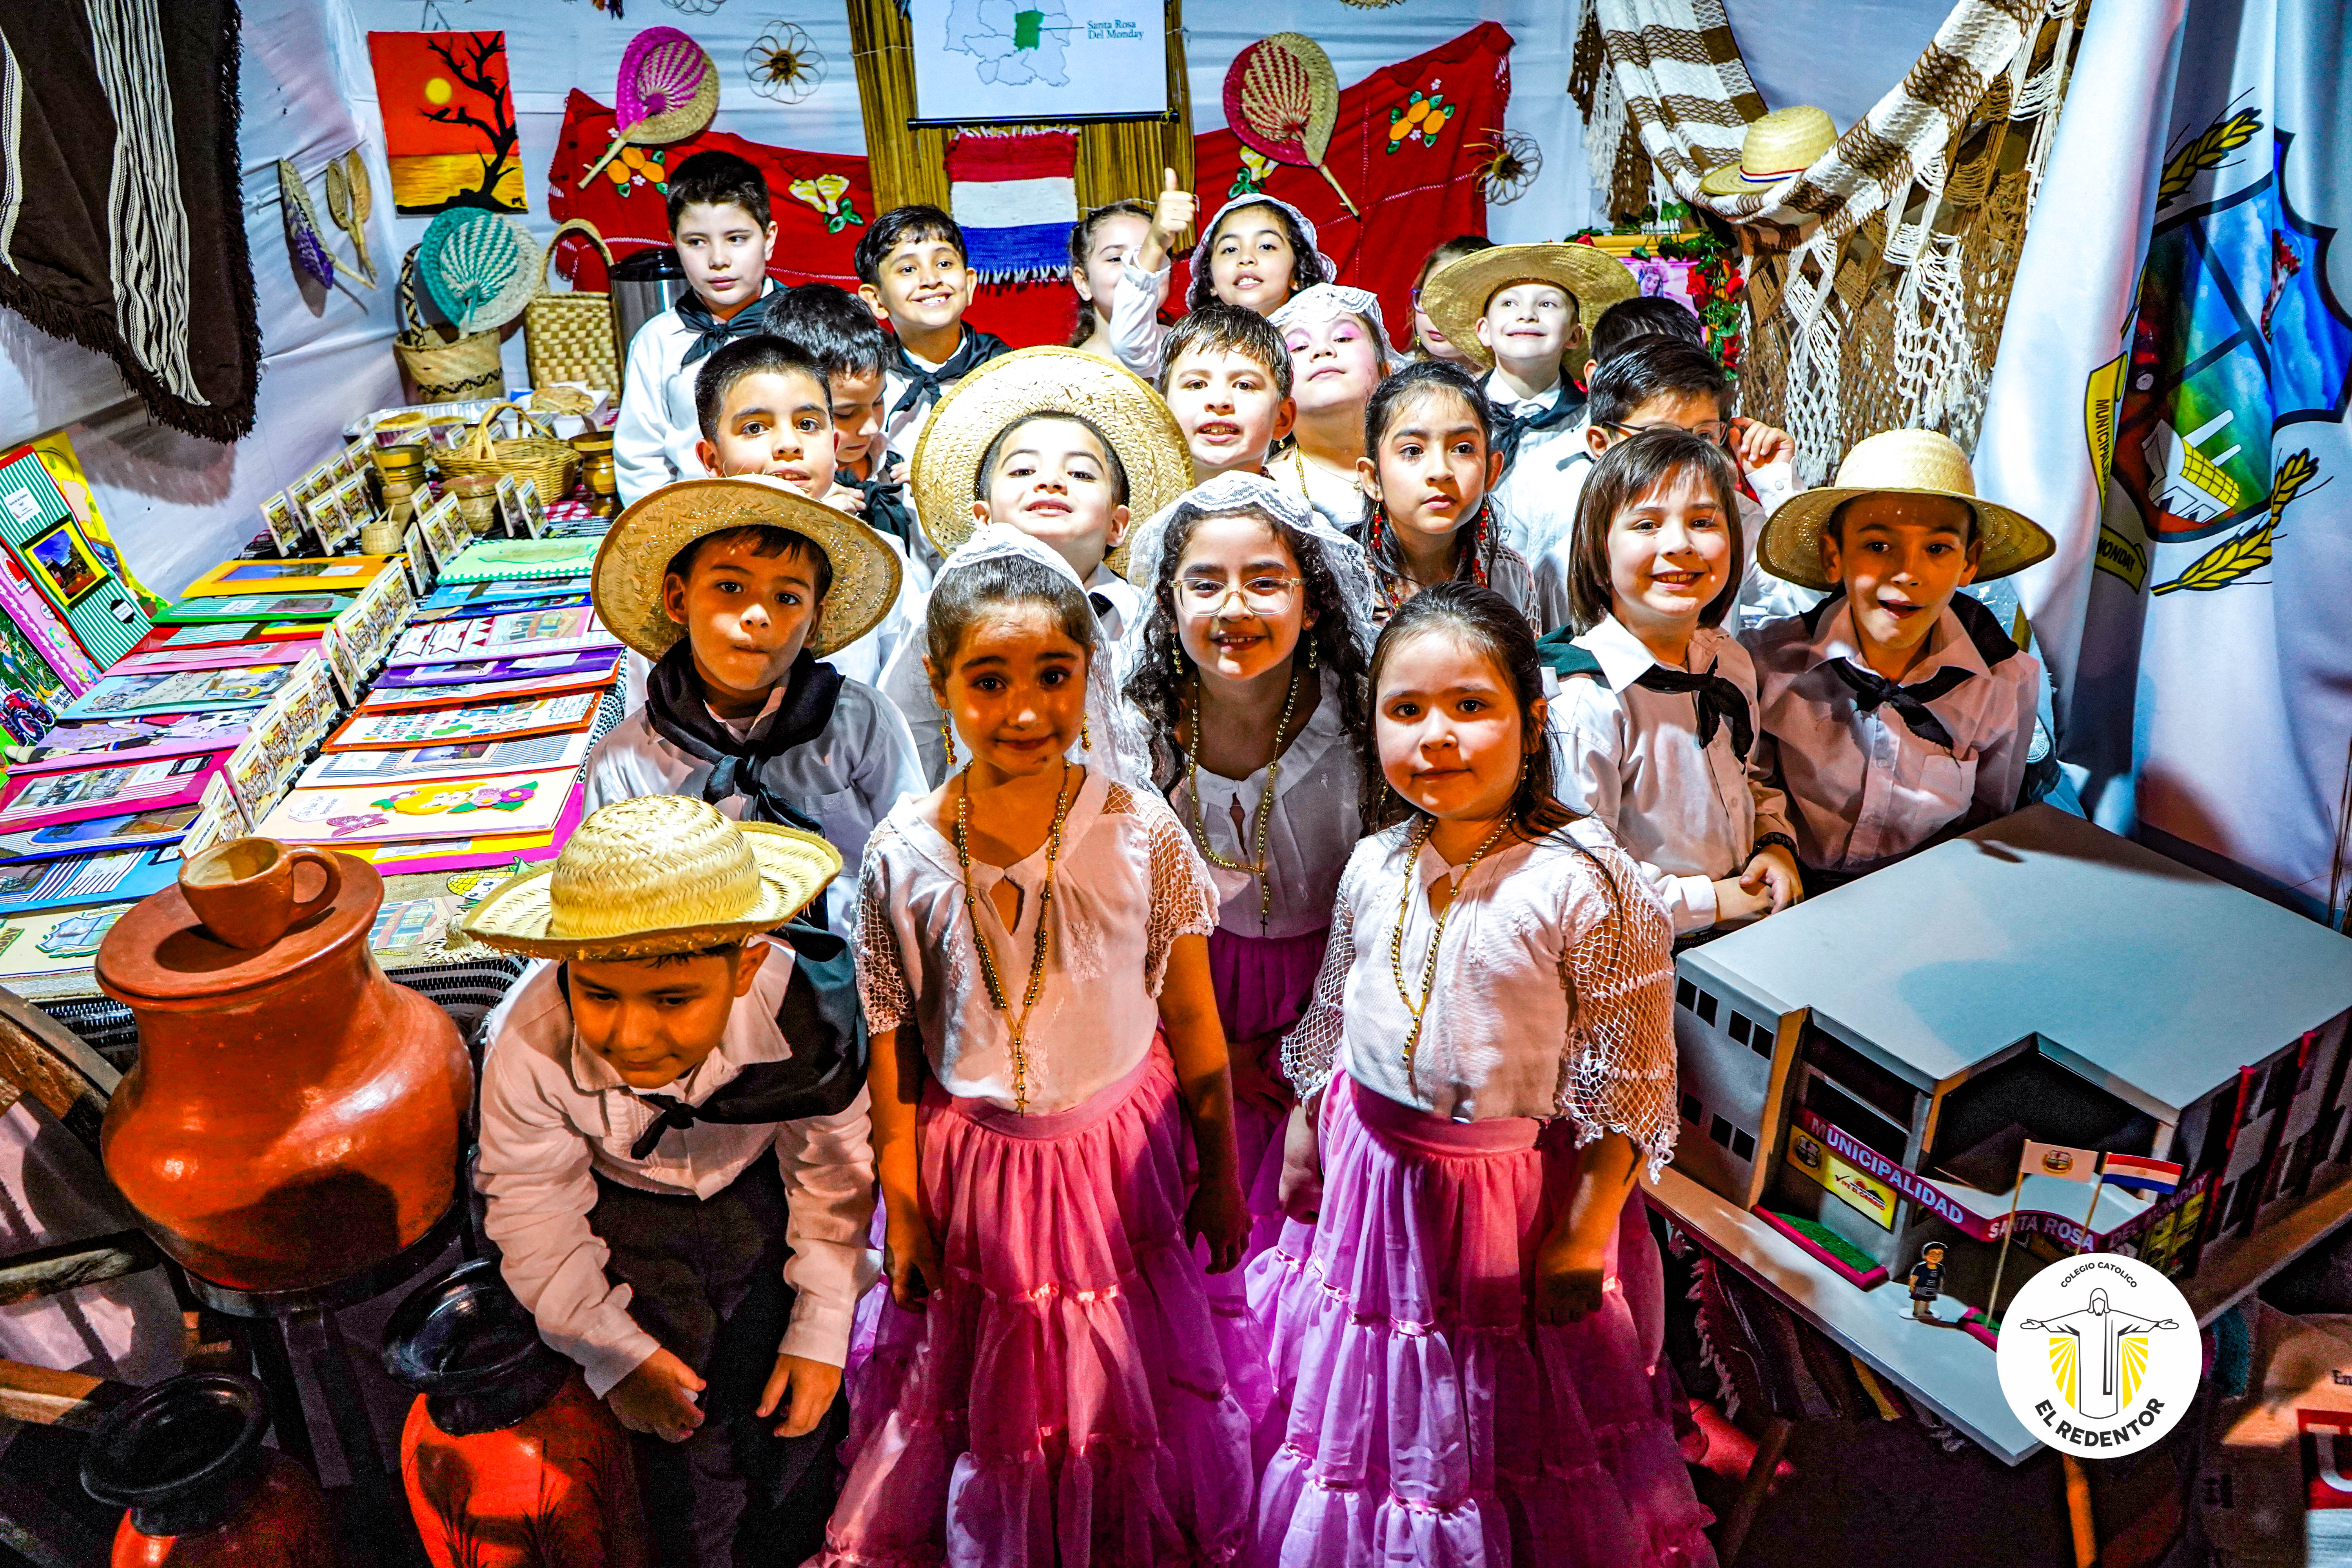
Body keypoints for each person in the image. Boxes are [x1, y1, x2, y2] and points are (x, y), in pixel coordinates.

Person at [1252, 583, 1717, 1566]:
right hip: (1374, 1189)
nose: (1438, 738)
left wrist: (1584, 1233)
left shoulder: (1586, 880)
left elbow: (1628, 1080)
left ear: (1530, 717)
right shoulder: (1377, 859)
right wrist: (1306, 1120)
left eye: (1472, 707)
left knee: (1494, 1423)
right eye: (1406, 710)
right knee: (1382, 1398)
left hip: (1507, 1208)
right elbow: (1337, 1006)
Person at [819, 524, 1253, 1566]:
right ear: (939, 681)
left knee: (1119, 1381)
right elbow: (897, 1053)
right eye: (987, 680)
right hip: (980, 1174)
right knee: (996, 1391)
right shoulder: (904, 852)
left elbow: (1193, 1018)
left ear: (1087, 676)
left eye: (1053, 676)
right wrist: (908, 1208)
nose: (1022, 711)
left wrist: (1222, 1174)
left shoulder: (1140, 828)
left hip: (1117, 1162)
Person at [468, 796, 877, 1567]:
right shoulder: (524, 1041)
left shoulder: (808, 1018)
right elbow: (533, 1209)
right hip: (623, 1222)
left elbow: (834, 1167)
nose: (630, 1035)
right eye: (599, 996)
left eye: (673, 1000)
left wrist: (823, 1323)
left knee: (793, 1420)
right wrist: (612, 1351)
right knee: (679, 1447)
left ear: (746, 964)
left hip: (766, 1200)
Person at [1118, 472, 1377, 1382]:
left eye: (1266, 581)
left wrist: (1302, 1060)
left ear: (1311, 605)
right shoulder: (1133, 730)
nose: (1235, 608)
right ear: (1168, 597)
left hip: (1329, 1003)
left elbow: (1380, 915)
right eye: (1206, 583)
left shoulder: (1364, 727)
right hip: (1173, 1006)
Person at [583, 475, 922, 934]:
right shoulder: (627, 760)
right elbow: (609, 906)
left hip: (852, 978)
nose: (758, 615)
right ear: (678, 599)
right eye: (729, 587)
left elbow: (915, 865)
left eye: (787, 598)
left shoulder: (862, 725)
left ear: (815, 619)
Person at [1744, 428, 2055, 887]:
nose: (1908, 573)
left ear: (1969, 563)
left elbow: (1991, 816)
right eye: (1877, 546)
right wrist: (1774, 844)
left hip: (1928, 895)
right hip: (1795, 890)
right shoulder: (1768, 665)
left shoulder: (2005, 682)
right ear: (1835, 556)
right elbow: (1752, 780)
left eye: (1937, 549)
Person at [882, 345, 1192, 782]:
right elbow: (909, 734)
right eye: (1023, 472)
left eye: (1082, 474)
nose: (1051, 481)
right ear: (983, 518)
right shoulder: (941, 610)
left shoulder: (1149, 619)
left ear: (1118, 525)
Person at [1539, 429, 1802, 939]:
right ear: (1599, 548)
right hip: (1637, 959)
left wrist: (1774, 844)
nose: (1680, 545)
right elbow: (1578, 879)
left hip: (1740, 932)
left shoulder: (1727, 659)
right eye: (1647, 524)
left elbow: (1747, 779)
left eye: (1703, 522)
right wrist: (1714, 901)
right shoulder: (1586, 701)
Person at [1533, 339, 1819, 629]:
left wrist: (1775, 483)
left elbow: (1811, 601)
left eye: (1704, 436)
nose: (1687, 455)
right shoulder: (1562, 559)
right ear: (1602, 443)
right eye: (1659, 436)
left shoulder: (1731, 518)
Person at [1414, 241, 1641, 554]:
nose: (1527, 315)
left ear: (1575, 334)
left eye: (1547, 305)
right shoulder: (1450, 415)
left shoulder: (1595, 426)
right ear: (1484, 330)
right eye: (1508, 304)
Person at [614, 151, 781, 505]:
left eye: (736, 238)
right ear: (674, 243)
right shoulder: (656, 342)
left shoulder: (809, 323)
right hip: (693, 525)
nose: (718, 260)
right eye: (696, 242)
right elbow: (641, 460)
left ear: (768, 239)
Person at [1355, 358, 1535, 626]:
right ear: (1373, 479)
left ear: (1492, 472)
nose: (1440, 471)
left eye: (1463, 449)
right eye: (1413, 451)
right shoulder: (1343, 578)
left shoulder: (1507, 574)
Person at [855, 205, 1009, 472]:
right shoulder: (865, 382)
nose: (930, 279)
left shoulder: (1008, 374)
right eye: (907, 270)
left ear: (969, 285)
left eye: (944, 264)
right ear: (876, 301)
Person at [1109, 189, 1327, 379]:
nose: (1246, 258)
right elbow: (1132, 345)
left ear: (1296, 274)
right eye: (1230, 249)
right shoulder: (1194, 346)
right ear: (1211, 280)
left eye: (1266, 246)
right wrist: (1155, 245)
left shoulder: (1323, 342)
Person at [768, 282, 918, 554]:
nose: (872, 427)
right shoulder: (770, 496)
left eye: (878, 402)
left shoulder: (897, 464)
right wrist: (813, 529)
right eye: (845, 414)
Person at [1268, 283, 1395, 532]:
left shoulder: (1422, 462)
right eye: (1300, 347)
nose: (1323, 350)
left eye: (1343, 338)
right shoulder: (1268, 488)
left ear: (1385, 372)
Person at [1158, 302, 1297, 483]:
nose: (1219, 401)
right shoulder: (1139, 511)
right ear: (1161, 413)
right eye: (1198, 384)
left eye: (1244, 386)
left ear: (1282, 418)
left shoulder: (1297, 511)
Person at [1066, 198, 1156, 359]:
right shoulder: (1067, 373)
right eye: (1116, 259)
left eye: (1148, 256)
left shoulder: (1194, 353)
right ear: (1083, 283)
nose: (1136, 269)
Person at [1406, 234, 1493, 365]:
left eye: (1456, 304)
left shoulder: (1505, 384)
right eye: (1430, 298)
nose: (1438, 316)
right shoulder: (1394, 373)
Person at [1907, 1243, 1947, 1323]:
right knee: (1917, 1299)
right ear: (1925, 1256)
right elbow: (1914, 1277)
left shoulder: (1941, 1268)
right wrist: (1912, 1286)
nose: (1936, 1257)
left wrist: (1940, 1287)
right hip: (1920, 1288)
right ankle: (1915, 1311)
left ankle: (1926, 1310)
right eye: (1933, 1254)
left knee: (1928, 1300)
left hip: (1932, 1288)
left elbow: (1941, 1278)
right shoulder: (1920, 1267)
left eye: (1939, 1254)